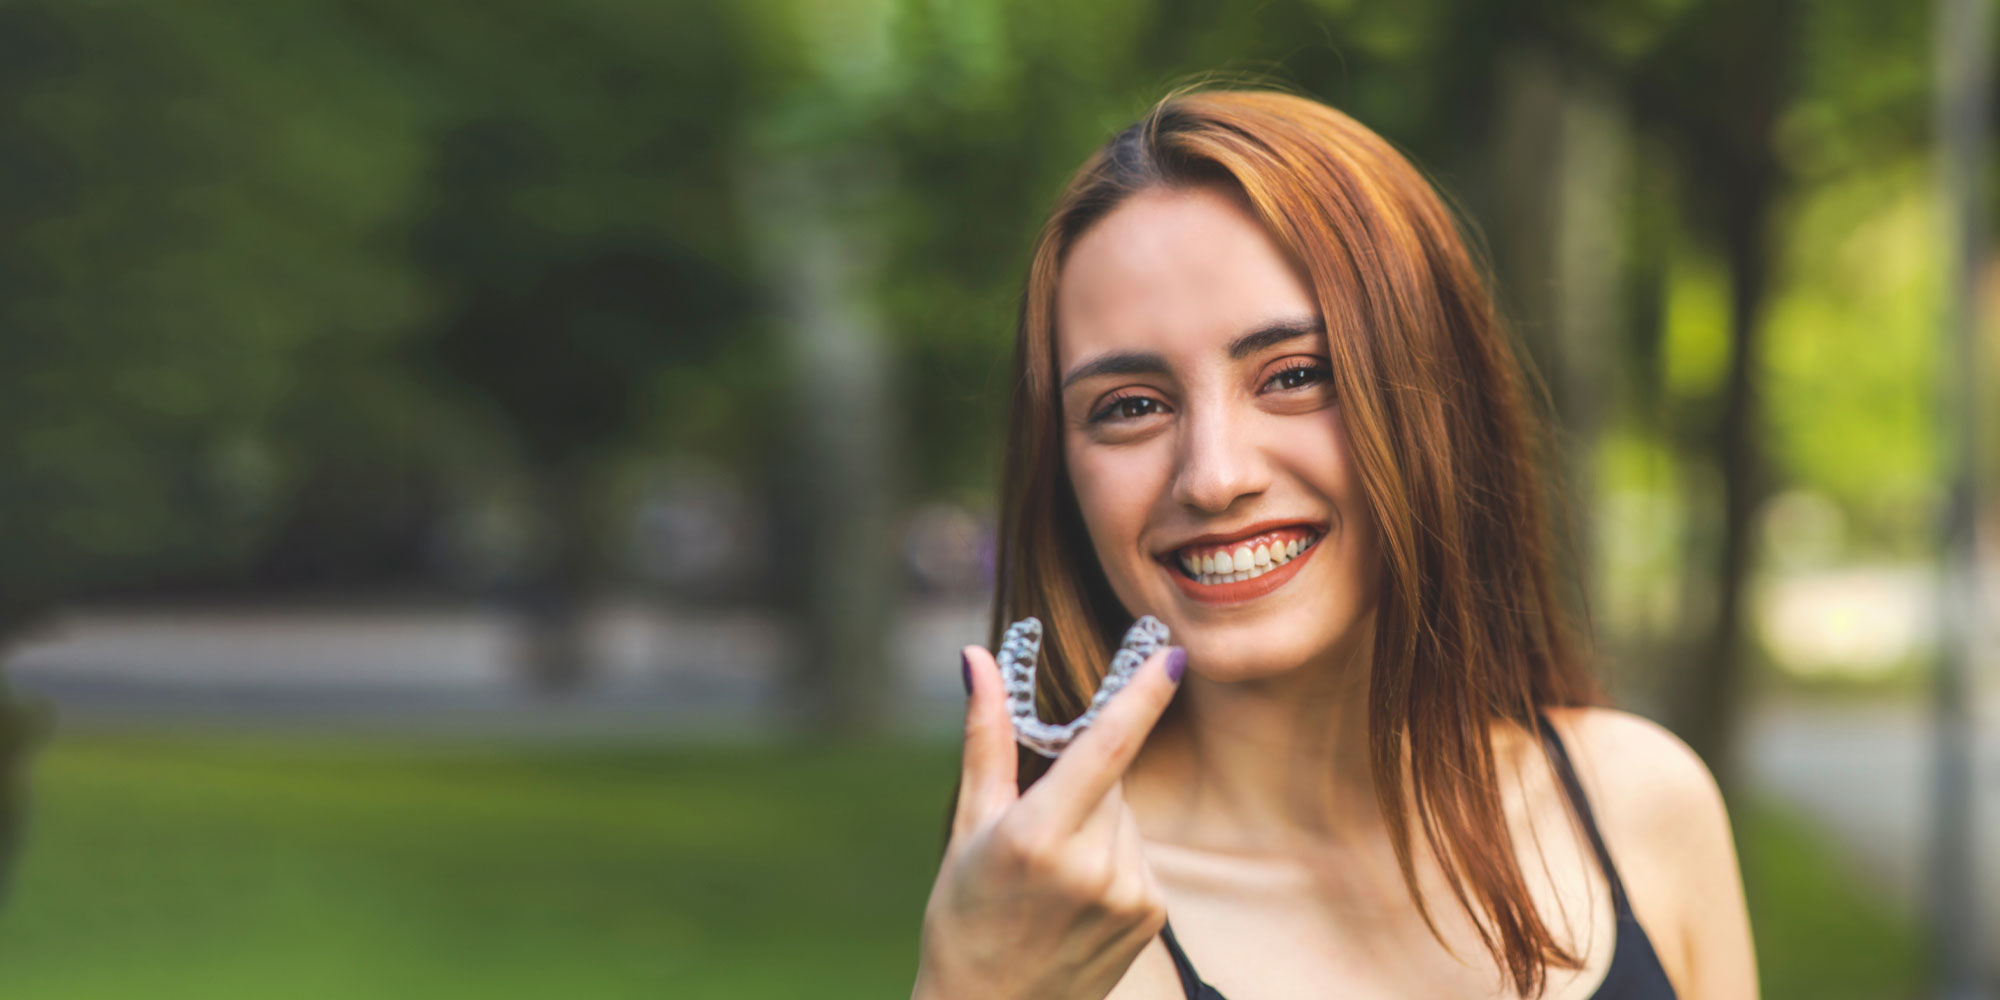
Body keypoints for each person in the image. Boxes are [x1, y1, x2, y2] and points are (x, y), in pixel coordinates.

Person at [910, 89, 1758, 1000]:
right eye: (1131, 406)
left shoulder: (1644, 804)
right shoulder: (1066, 930)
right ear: (1060, 474)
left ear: (1440, 398)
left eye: (1297, 375)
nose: (1213, 475)